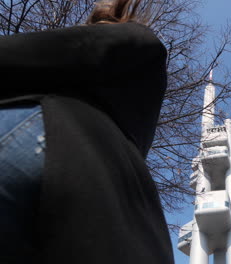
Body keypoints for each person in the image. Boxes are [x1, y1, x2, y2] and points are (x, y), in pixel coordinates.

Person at [0, 0, 174, 263]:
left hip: (46, 132)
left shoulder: (133, 43)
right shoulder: (138, 107)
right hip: (100, 192)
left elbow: (74, 48)